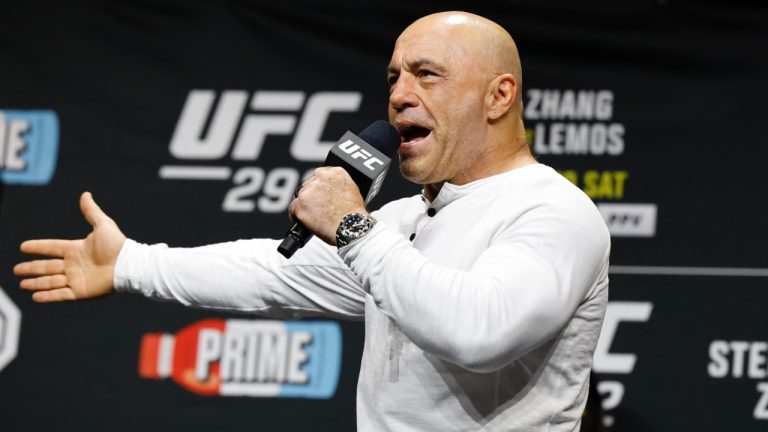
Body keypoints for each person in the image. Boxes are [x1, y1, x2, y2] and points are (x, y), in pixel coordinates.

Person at [14, 11, 610, 431]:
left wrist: (353, 226)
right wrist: (132, 262)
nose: (399, 94)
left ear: (498, 96)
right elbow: (273, 274)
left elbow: (478, 332)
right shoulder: (406, 223)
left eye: (426, 74)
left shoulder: (552, 212)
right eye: (394, 78)